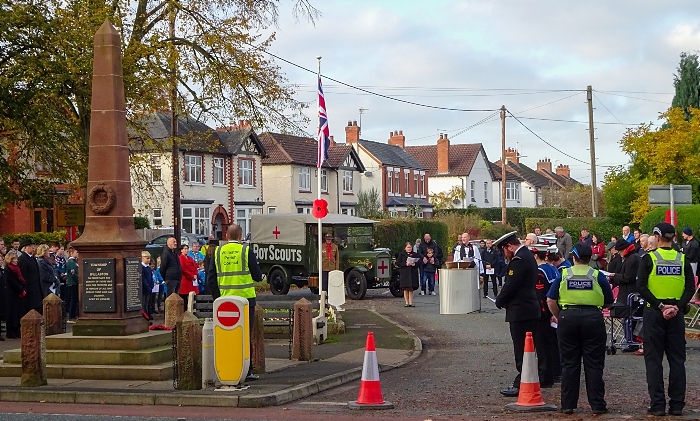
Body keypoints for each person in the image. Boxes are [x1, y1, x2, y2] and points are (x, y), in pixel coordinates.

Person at [546, 242, 614, 415]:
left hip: (568, 317)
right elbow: (608, 301)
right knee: (594, 364)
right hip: (593, 318)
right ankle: (598, 405)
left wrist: (559, 315)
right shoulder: (597, 275)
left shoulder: (564, 273)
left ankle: (568, 405)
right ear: (590, 258)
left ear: (574, 257)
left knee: (569, 364)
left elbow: (551, 300)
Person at [638, 223, 695, 417]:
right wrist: (677, 307)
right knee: (677, 361)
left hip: (655, 313)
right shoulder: (682, 259)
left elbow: (642, 287)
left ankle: (658, 405)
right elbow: (690, 288)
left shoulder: (648, 258)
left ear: (657, 236)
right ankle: (677, 405)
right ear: (674, 237)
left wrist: (660, 306)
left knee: (654, 361)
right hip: (676, 313)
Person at [209, 224, 262, 382]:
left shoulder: (218, 251)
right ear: (240, 236)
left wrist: (217, 298)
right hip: (245, 300)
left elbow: (211, 279)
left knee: (227, 335)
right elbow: (258, 276)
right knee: (245, 336)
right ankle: (246, 370)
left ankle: (228, 368)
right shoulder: (246, 250)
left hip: (225, 301)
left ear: (226, 236)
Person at [493, 231, 541, 397]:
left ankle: (522, 382)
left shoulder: (519, 261)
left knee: (522, 349)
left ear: (509, 246)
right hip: (528, 308)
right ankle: (525, 379)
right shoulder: (526, 256)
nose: (504, 255)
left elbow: (511, 285)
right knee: (527, 348)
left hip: (521, 310)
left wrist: (499, 300)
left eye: (504, 250)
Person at [531, 244, 559, 388]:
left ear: (536, 255)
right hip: (554, 312)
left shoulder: (540, 272)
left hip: (544, 314)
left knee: (542, 347)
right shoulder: (553, 269)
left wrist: (547, 314)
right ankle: (555, 372)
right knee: (552, 345)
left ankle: (545, 377)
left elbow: (542, 296)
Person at [608, 239, 640, 308]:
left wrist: (615, 276)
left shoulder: (632, 259)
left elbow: (627, 277)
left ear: (625, 249)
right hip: (629, 292)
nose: (618, 253)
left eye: (619, 251)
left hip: (628, 293)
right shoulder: (633, 256)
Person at [4, 251, 26, 339]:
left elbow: (20, 279)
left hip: (18, 294)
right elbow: (12, 282)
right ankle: (11, 331)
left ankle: (17, 330)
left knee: (18, 313)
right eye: (14, 259)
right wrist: (21, 290)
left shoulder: (17, 268)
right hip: (11, 294)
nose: (16, 260)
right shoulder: (8, 269)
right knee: (12, 313)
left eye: (16, 259)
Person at [18, 239, 42, 314]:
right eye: (30, 246)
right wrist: (25, 288)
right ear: (25, 248)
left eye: (33, 246)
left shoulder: (32, 258)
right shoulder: (23, 259)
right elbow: (23, 275)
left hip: (36, 288)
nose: (33, 247)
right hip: (29, 290)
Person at [397, 242, 420, 307]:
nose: (409, 249)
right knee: (405, 288)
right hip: (405, 273)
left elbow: (419, 262)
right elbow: (398, 263)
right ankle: (406, 302)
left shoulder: (415, 254)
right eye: (408, 247)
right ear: (405, 248)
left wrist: (414, 264)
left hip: (412, 273)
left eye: (410, 247)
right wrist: (405, 264)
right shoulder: (401, 254)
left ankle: (410, 302)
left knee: (411, 288)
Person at [178, 244, 199, 310]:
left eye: (187, 249)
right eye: (185, 249)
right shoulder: (180, 258)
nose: (186, 250)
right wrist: (192, 276)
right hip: (185, 280)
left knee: (192, 296)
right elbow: (183, 269)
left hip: (192, 280)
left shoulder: (190, 258)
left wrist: (195, 274)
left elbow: (195, 267)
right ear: (181, 250)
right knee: (185, 297)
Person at [64, 247, 79, 322]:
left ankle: (73, 315)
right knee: (73, 300)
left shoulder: (74, 261)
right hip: (72, 283)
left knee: (75, 300)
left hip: (73, 283)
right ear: (71, 253)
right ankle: (71, 316)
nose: (77, 253)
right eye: (76, 252)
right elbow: (73, 273)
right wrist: (78, 280)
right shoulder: (71, 262)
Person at [140, 251, 154, 320]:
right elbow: (143, 278)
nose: (148, 260)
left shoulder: (148, 267)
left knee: (148, 303)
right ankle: (144, 316)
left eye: (149, 258)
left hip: (149, 287)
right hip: (144, 288)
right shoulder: (142, 267)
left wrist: (151, 285)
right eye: (147, 258)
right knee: (143, 304)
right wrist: (147, 286)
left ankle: (148, 315)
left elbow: (151, 277)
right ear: (142, 258)